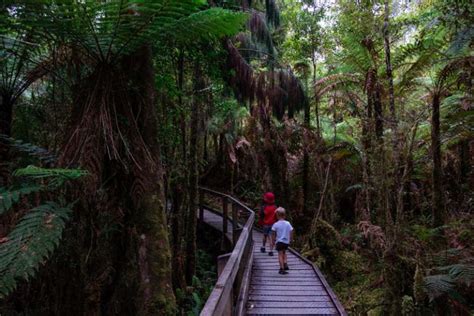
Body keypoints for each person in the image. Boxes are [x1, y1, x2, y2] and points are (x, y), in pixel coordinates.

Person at [271, 207, 293, 274]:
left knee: (280, 254)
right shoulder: (288, 223)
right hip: (286, 242)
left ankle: (282, 269)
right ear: (284, 215)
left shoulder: (275, 224)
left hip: (279, 242)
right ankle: (285, 263)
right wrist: (291, 239)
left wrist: (273, 241)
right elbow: (291, 231)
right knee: (284, 252)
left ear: (277, 215)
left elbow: (273, 234)